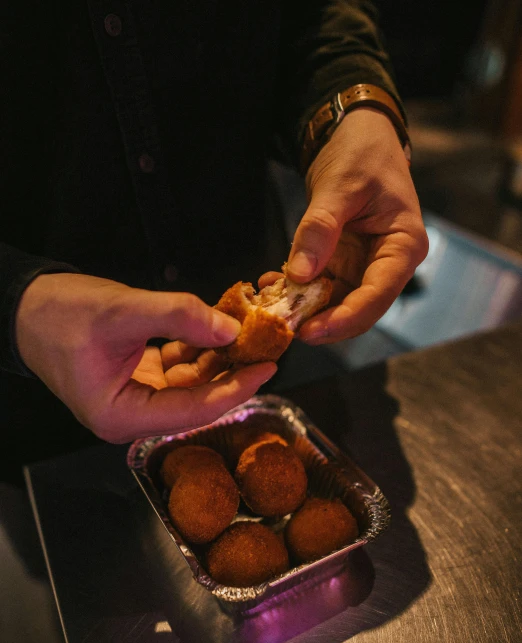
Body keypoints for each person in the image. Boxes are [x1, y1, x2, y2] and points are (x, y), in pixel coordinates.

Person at [0, 1, 428, 483]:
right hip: (30, 416)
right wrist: (17, 303)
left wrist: (355, 111)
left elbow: (317, 15)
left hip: (270, 373)